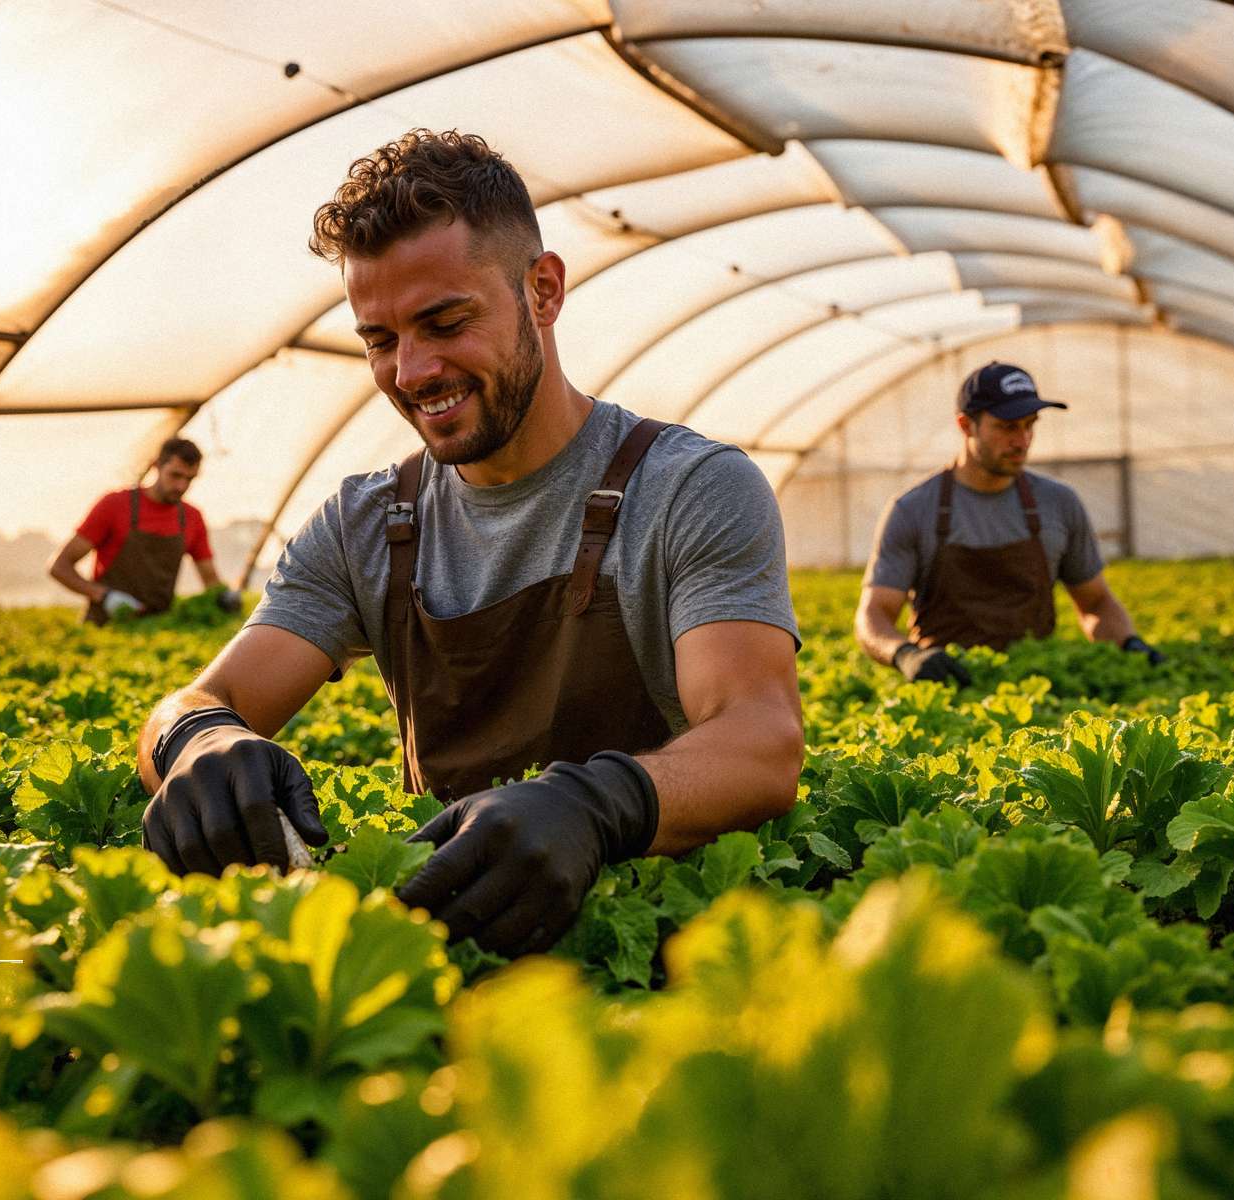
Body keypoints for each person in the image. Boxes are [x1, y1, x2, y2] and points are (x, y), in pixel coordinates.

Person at [133, 129, 804, 957]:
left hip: (654, 951)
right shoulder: (364, 526)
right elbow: (196, 701)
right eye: (379, 340)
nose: (412, 372)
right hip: (443, 944)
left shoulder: (688, 488)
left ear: (544, 291)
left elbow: (761, 741)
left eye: (445, 322)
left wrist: (597, 807)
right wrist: (200, 740)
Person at [855, 361, 1163, 686]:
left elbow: (1096, 602)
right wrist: (905, 654)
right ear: (965, 425)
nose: (1023, 440)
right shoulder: (913, 510)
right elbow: (875, 614)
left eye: (1030, 425)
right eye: (1007, 427)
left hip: (1041, 694)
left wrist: (1129, 643)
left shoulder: (1059, 503)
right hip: (947, 688)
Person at [48, 436, 242, 623]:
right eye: (175, 475)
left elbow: (210, 579)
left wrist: (225, 597)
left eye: (189, 479)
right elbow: (59, 566)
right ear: (156, 466)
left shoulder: (192, 518)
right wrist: (104, 596)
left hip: (158, 626)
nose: (181, 486)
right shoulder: (115, 505)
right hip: (106, 626)